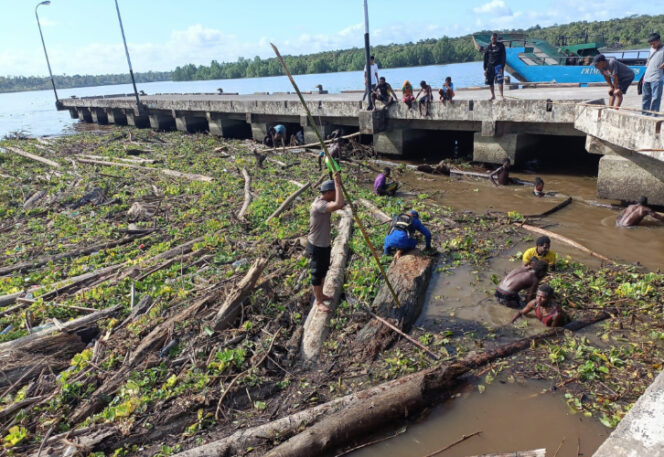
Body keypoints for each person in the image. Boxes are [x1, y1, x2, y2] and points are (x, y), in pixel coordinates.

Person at [307, 173, 345, 312]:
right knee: (317, 274)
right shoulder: (319, 205)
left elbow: (340, 203)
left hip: (323, 244)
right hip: (317, 245)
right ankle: (318, 302)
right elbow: (339, 204)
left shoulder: (324, 202)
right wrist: (337, 183)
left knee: (323, 271)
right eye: (334, 192)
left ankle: (321, 295)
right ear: (328, 193)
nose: (336, 195)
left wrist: (337, 186)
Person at [642, 33, 664, 115]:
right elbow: (648, 59)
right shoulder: (651, 49)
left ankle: (653, 116)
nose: (652, 45)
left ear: (659, 41)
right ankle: (644, 115)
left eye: (653, 43)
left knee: (655, 98)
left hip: (657, 79)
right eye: (650, 44)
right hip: (647, 77)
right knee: (645, 98)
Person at [484, 32, 506, 101]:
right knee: (490, 82)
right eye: (492, 38)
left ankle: (501, 96)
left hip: (498, 66)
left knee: (500, 81)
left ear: (496, 38)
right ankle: (493, 95)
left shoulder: (501, 46)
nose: (493, 39)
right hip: (490, 66)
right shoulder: (488, 47)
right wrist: (485, 69)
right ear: (491, 38)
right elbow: (485, 59)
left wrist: (502, 67)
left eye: (494, 38)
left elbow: (503, 57)